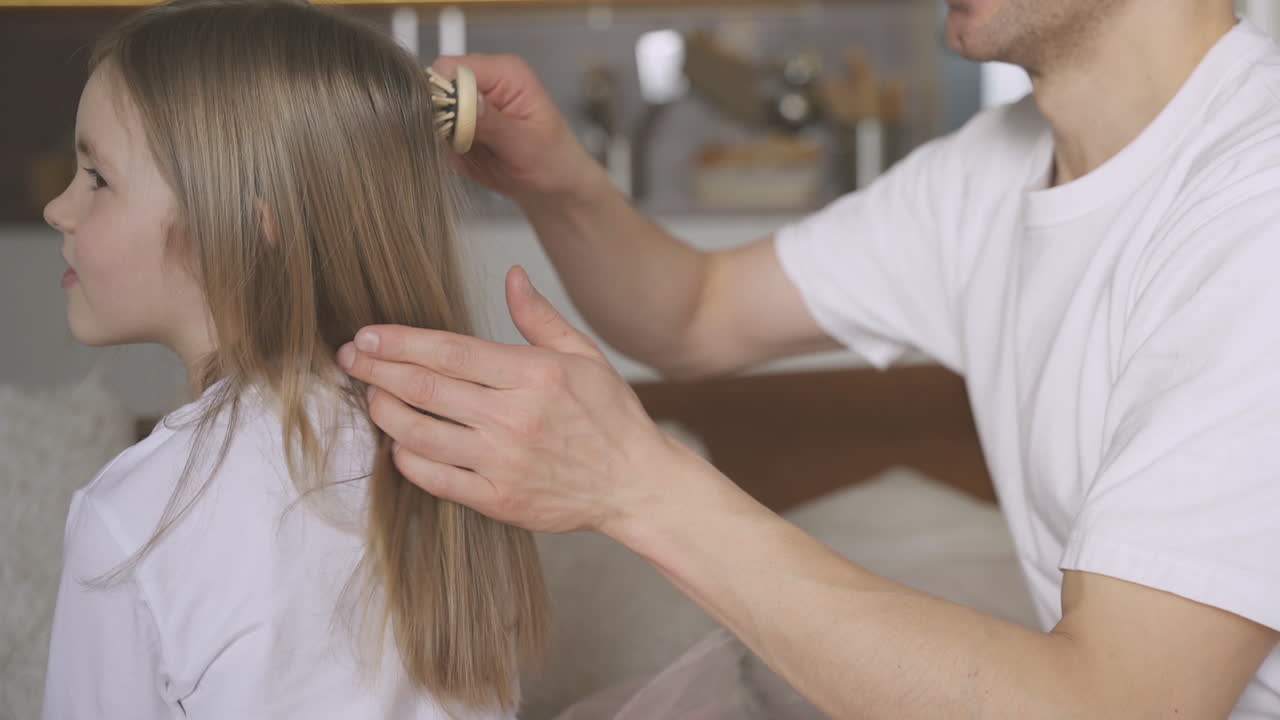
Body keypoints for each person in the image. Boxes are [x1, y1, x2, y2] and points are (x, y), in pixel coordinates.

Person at [339, 0, 1280, 716]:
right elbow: (694, 315)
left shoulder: (1257, 201)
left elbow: (1114, 704)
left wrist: (638, 487)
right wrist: (563, 180)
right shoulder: (988, 170)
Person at [40, 0, 546, 717]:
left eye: (97, 178)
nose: (59, 208)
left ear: (251, 223)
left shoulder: (134, 518)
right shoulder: (449, 455)